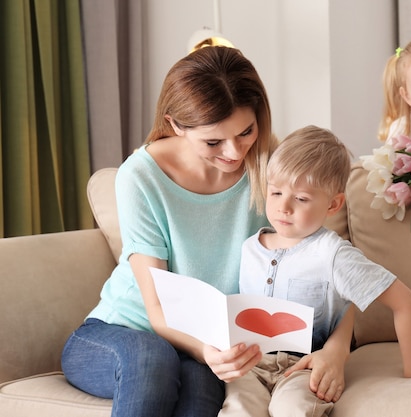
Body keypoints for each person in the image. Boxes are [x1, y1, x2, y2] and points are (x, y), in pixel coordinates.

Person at [61, 46, 353, 417]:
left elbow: (335, 270)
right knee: (153, 360)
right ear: (177, 125)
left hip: (206, 345)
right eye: (213, 142)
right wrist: (206, 351)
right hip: (120, 332)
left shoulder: (272, 167)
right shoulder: (141, 175)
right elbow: (156, 308)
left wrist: (336, 350)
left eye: (246, 131)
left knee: (201, 392)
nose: (234, 152)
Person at [219, 125, 411, 417]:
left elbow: (404, 301)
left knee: (292, 411)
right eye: (276, 192)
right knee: (238, 411)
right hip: (250, 367)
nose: (284, 207)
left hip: (305, 369)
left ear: (333, 204)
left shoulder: (333, 254)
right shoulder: (250, 249)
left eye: (301, 198)